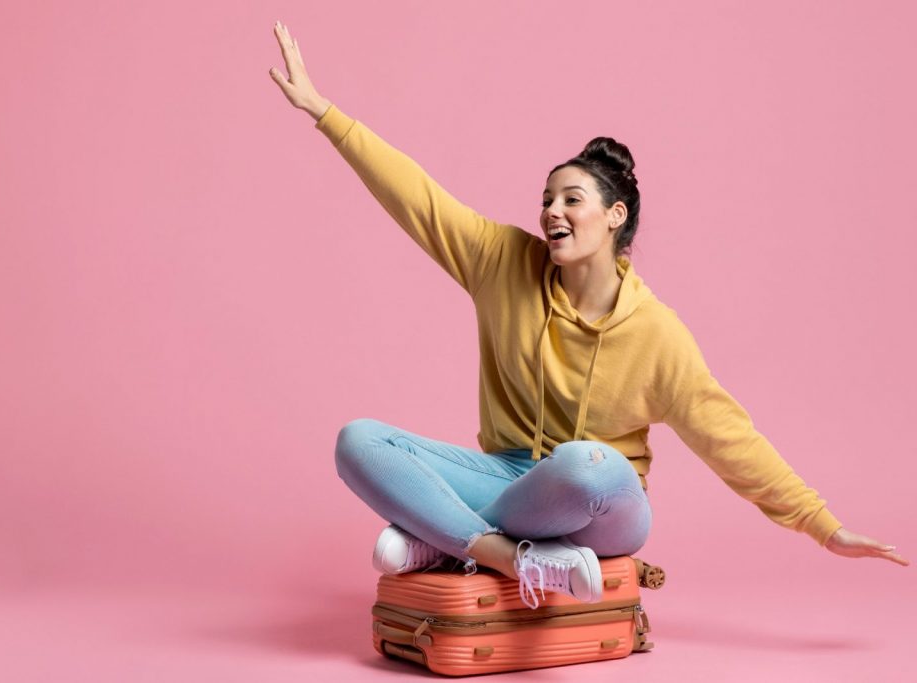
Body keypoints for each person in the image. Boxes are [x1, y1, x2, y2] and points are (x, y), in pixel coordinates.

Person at [268, 20, 909, 610]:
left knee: (581, 462)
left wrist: (824, 527)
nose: (551, 210)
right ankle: (499, 552)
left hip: (605, 500)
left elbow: (728, 438)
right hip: (507, 473)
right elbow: (419, 198)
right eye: (546, 197)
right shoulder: (502, 262)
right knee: (359, 441)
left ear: (615, 216)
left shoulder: (657, 333)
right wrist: (326, 114)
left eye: (571, 198)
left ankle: (441, 536)